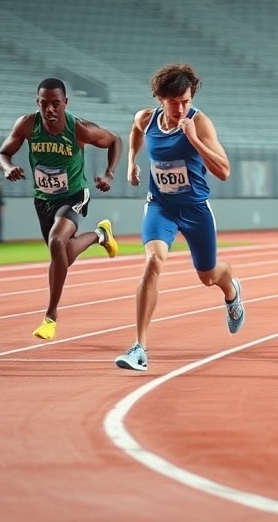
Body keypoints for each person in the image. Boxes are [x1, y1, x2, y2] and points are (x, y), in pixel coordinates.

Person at [114, 63, 245, 372]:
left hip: (195, 209)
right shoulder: (146, 119)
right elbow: (135, 131)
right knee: (153, 262)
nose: (181, 107)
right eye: (175, 101)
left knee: (208, 276)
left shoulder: (199, 123)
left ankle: (232, 289)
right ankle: (139, 348)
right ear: (161, 98)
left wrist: (194, 140)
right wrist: (132, 161)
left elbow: (224, 171)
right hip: (161, 207)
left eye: (186, 100)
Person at [0, 77, 122, 341]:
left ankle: (50, 317)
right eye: (44, 104)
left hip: (75, 194)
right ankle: (101, 235)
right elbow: (3, 153)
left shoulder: (79, 129)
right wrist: (8, 168)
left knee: (56, 241)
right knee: (63, 255)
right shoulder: (28, 124)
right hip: (43, 200)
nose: (50, 109)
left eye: (55, 104)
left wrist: (109, 174)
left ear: (65, 103)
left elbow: (115, 140)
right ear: (37, 103)